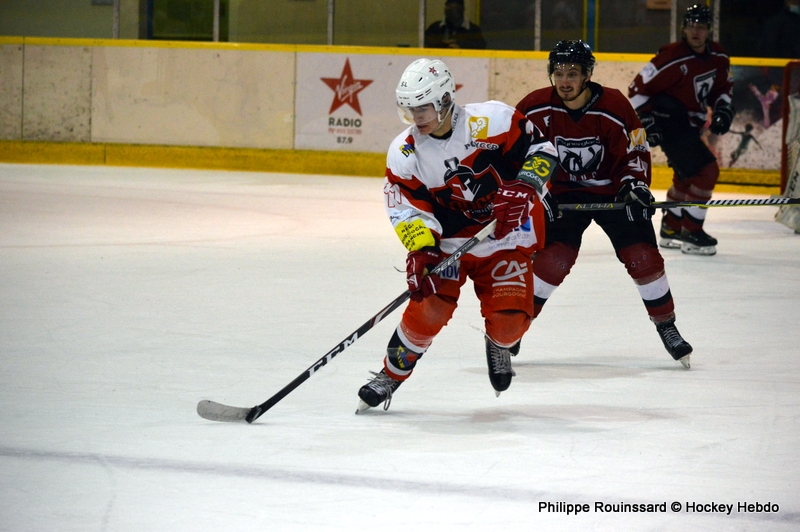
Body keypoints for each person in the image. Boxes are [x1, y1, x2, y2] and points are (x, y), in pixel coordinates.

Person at [356, 58, 559, 412]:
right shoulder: (406, 150)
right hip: (449, 241)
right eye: (410, 110)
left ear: (446, 99)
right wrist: (421, 248)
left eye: (424, 108)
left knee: (510, 323)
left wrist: (527, 185)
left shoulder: (493, 120)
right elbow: (405, 204)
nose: (416, 118)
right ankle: (390, 374)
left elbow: (543, 150)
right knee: (428, 311)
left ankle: (499, 343)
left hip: (505, 236)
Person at [515, 40, 693, 368]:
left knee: (643, 257)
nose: (564, 81)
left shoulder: (613, 104)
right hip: (561, 193)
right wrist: (537, 189)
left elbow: (635, 148)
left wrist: (634, 185)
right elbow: (516, 152)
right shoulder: (535, 107)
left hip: (613, 191)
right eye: (558, 73)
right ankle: (512, 328)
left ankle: (667, 326)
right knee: (552, 261)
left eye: (572, 73)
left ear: (587, 75)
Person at [628, 4, 735, 256]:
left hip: (692, 125)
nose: (695, 31)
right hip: (671, 123)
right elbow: (635, 90)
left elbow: (723, 89)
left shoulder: (718, 56)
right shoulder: (671, 57)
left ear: (709, 29)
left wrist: (723, 110)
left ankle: (672, 228)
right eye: (691, 26)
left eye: (701, 26)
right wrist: (647, 121)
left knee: (686, 176)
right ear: (683, 28)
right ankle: (692, 231)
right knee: (706, 171)